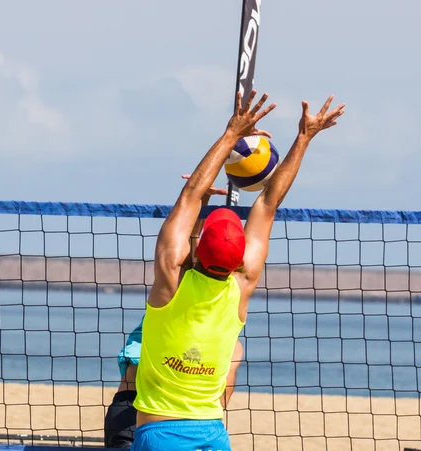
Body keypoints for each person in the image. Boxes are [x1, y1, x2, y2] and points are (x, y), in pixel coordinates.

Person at [130, 91, 345, 451]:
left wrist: (232, 133)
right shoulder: (241, 287)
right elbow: (269, 203)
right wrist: (304, 138)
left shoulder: (171, 280)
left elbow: (188, 198)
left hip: (160, 434)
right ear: (240, 260)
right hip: (212, 434)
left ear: (195, 249)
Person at [104, 178, 243, 448]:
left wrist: (199, 202)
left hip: (144, 410)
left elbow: (186, 258)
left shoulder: (171, 296)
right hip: (177, 417)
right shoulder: (227, 336)